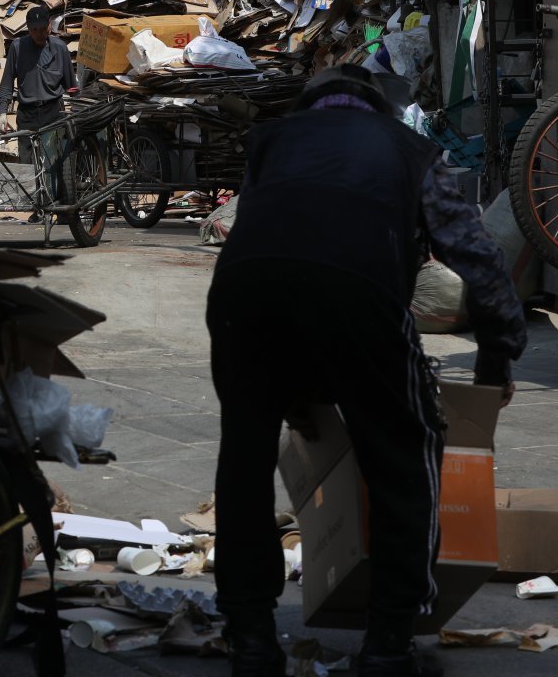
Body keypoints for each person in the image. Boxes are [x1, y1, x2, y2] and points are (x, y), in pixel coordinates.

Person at [206, 64, 527, 677]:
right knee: (404, 449)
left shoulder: (274, 141)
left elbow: (275, 241)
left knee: (242, 459)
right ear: (377, 109)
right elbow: (477, 257)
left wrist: (292, 389)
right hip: (358, 294)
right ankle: (387, 641)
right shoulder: (409, 149)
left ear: (310, 107)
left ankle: (249, 636)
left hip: (242, 296)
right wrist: (494, 356)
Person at [0, 6, 75, 164]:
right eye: (34, 29)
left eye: (42, 29)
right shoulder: (17, 48)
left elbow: (72, 86)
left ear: (49, 26)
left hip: (53, 111)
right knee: (26, 164)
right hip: (27, 114)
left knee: (54, 162)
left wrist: (76, 108)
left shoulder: (60, 49)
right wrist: (2, 113)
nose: (39, 34)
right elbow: (7, 82)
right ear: (28, 29)